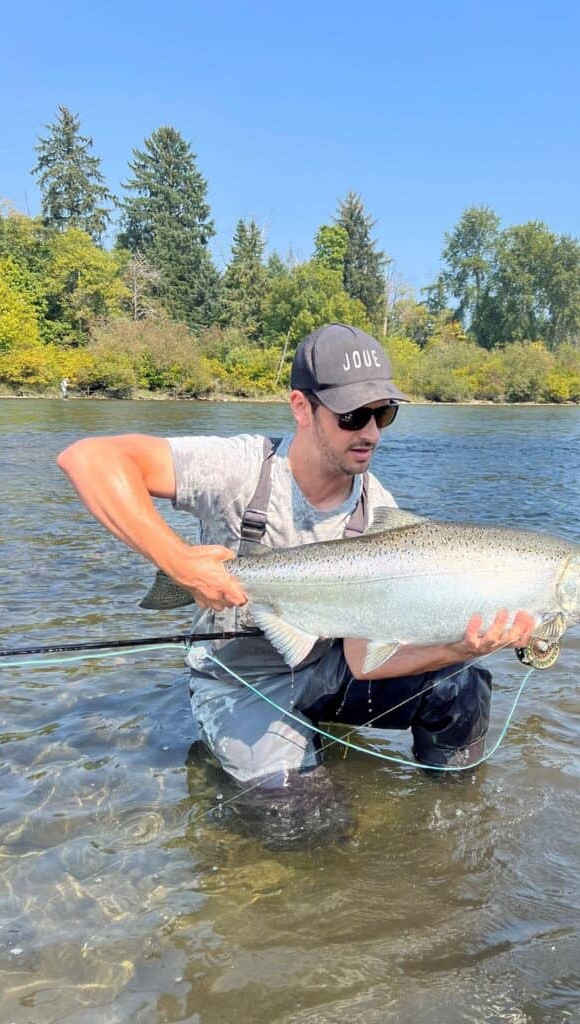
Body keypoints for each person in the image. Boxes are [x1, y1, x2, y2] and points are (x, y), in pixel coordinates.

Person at [57, 324, 534, 807]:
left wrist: (459, 647)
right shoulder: (238, 467)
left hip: (327, 669)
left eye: (383, 414)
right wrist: (177, 561)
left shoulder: (379, 512)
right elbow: (89, 458)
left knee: (463, 685)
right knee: (304, 824)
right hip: (240, 679)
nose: (370, 433)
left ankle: (453, 819)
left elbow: (362, 662)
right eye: (352, 416)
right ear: (302, 408)